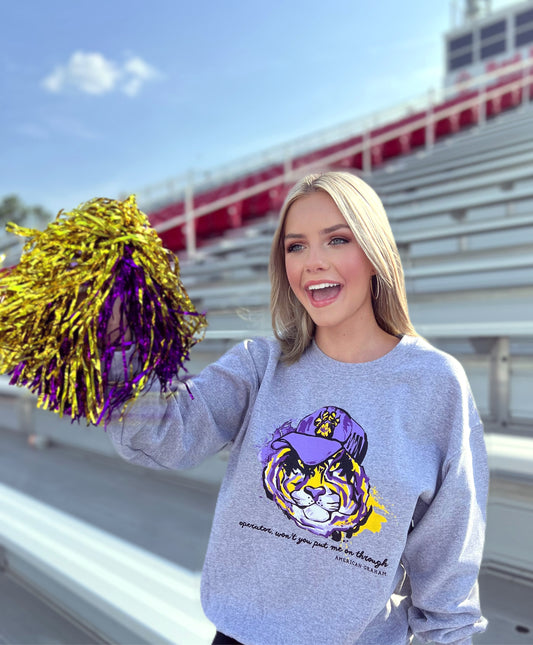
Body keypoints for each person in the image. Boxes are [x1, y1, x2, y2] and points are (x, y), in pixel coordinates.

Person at [106, 170, 489, 645]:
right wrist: (117, 342)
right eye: (296, 246)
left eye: (337, 240)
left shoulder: (436, 383)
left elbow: (449, 574)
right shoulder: (258, 364)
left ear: (374, 254)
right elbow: (159, 438)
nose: (313, 263)